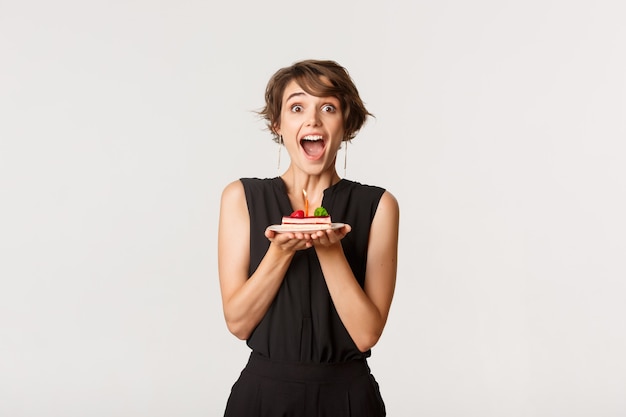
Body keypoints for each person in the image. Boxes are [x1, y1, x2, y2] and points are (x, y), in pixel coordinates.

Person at [218, 59, 399, 417]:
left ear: (345, 124)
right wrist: (280, 252)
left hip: (348, 399)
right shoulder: (240, 197)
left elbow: (366, 334)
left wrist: (330, 250)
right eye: (297, 107)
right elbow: (238, 324)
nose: (312, 120)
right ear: (278, 124)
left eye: (328, 107)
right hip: (262, 397)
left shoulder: (379, 205)